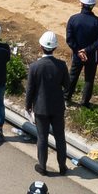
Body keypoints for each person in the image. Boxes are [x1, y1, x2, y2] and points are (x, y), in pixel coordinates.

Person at [25, 31, 70, 176]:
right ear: (55, 48)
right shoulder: (62, 65)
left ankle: (43, 166)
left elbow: (30, 89)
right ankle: (62, 166)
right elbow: (67, 85)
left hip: (41, 108)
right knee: (60, 138)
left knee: (42, 138)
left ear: (40, 46)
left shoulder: (34, 67)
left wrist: (28, 107)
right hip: (57, 107)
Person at [66, 0, 98, 106]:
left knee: (73, 76)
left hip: (77, 55)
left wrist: (79, 51)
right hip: (92, 55)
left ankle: (66, 98)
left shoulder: (73, 19)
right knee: (89, 79)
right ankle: (85, 101)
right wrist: (87, 50)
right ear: (93, 5)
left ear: (81, 3)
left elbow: (69, 39)